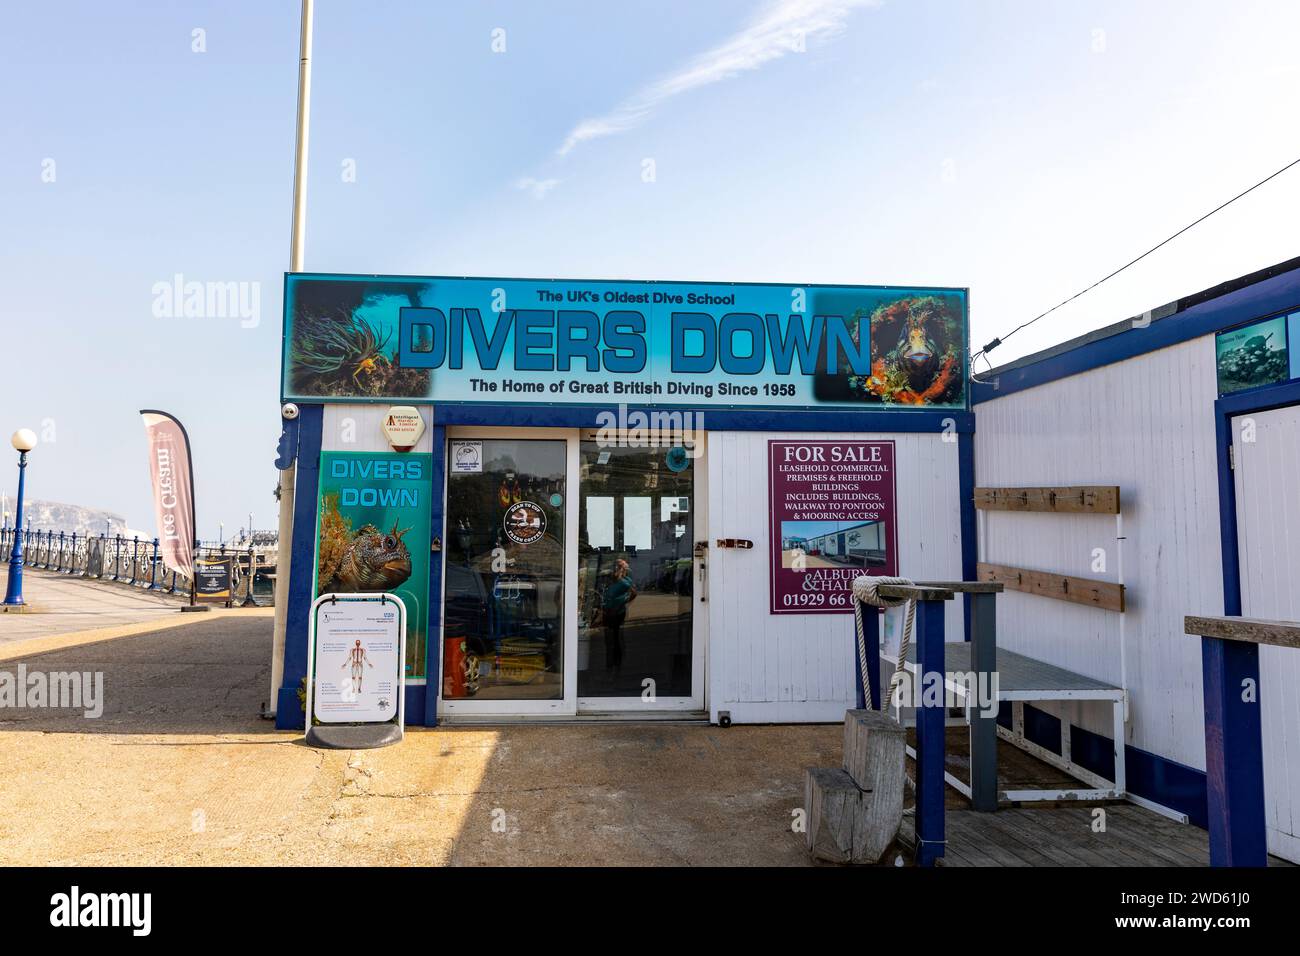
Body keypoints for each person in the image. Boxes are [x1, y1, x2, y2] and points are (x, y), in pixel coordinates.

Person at [602, 559, 636, 681]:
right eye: (618, 565)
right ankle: (611, 666)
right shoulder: (611, 577)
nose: (619, 568)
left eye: (621, 566)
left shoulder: (625, 580)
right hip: (609, 611)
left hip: (617, 612)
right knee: (610, 640)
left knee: (615, 639)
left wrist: (624, 602)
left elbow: (633, 592)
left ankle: (615, 667)